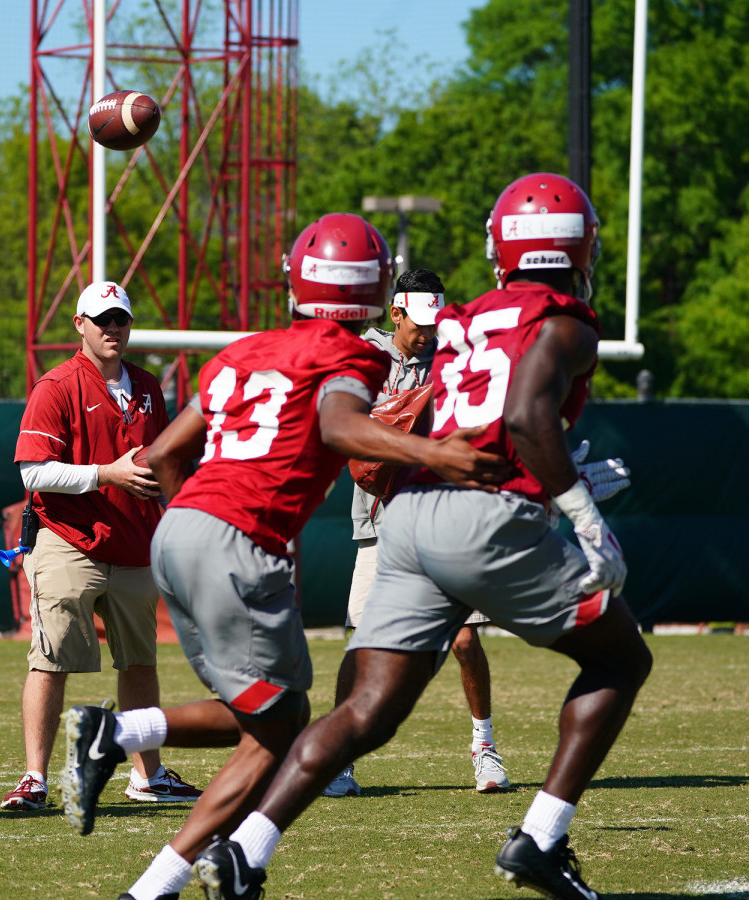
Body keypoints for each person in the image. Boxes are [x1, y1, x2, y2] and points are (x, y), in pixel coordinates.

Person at [192, 173, 653, 900]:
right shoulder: (568, 321)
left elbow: (477, 415)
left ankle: (246, 849)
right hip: (484, 516)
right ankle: (539, 840)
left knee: (366, 711)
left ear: (503, 247)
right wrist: (585, 516)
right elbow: (531, 416)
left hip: (407, 515)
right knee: (622, 661)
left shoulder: (467, 316)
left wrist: (546, 474)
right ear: (579, 245)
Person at [57, 214, 509, 900]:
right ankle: (115, 734)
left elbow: (162, 455)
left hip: (178, 529)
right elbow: (340, 425)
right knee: (287, 723)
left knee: (270, 723)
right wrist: (437, 451)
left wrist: (195, 518)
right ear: (372, 293)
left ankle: (160, 881)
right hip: (238, 541)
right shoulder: (356, 357)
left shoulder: (244, 351)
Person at [0, 281, 201, 812]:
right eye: (102, 319)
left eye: (121, 320)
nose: (113, 328)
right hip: (70, 540)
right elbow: (32, 471)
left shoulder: (149, 386)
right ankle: (35, 778)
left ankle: (148, 776)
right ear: (79, 324)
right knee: (52, 659)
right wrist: (107, 474)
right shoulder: (56, 385)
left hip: (135, 541)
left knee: (140, 662)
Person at [326, 267, 510, 798]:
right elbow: (341, 425)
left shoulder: (453, 357)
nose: (428, 333)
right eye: (420, 324)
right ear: (395, 313)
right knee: (362, 641)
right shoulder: (363, 356)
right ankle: (340, 754)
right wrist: (388, 423)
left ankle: (484, 746)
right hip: (378, 516)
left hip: (441, 512)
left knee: (464, 637)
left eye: (436, 323)